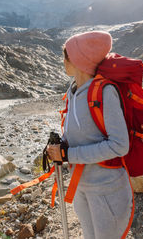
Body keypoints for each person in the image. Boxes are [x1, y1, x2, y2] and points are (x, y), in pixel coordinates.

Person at [46, 31, 133, 239]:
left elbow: (120, 145)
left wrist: (67, 155)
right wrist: (58, 149)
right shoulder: (72, 92)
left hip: (107, 189)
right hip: (81, 187)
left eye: (66, 56)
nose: (63, 61)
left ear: (78, 60)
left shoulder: (104, 92)